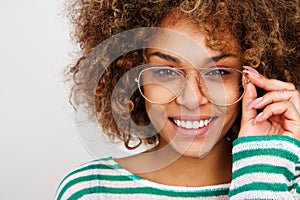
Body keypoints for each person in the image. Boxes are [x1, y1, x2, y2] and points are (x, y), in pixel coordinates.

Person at [55, 0, 300, 199]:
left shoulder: (291, 184)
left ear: (253, 78)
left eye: (218, 72)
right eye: (166, 72)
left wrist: (262, 171)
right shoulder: (91, 190)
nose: (191, 100)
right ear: (132, 77)